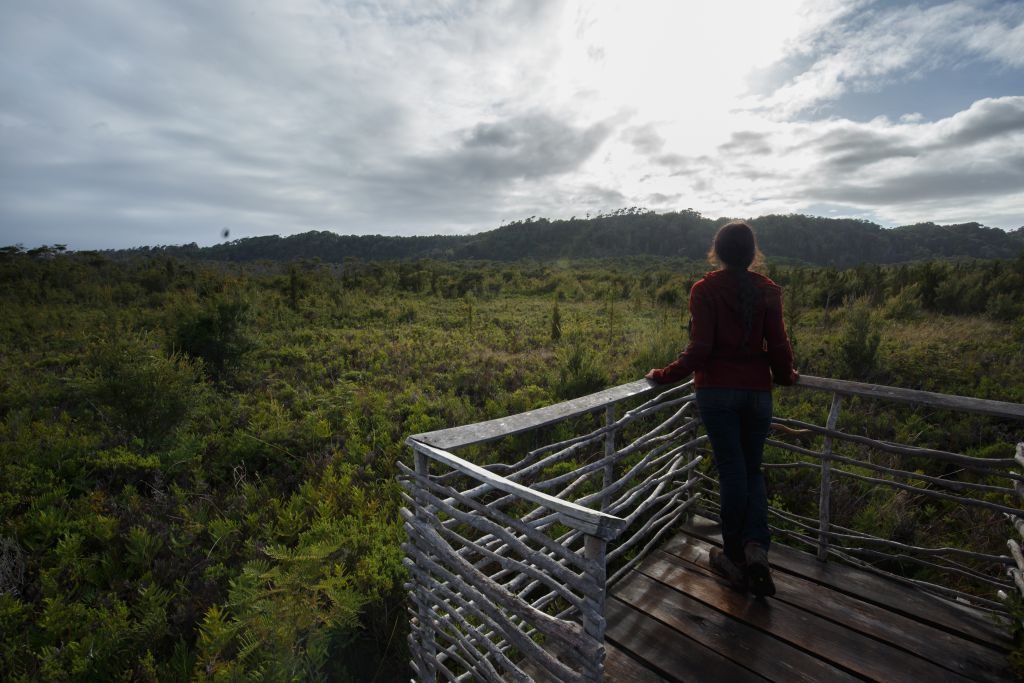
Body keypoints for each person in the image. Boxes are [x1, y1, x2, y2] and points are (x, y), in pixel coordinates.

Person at [645, 220, 798, 597]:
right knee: (752, 470)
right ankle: (756, 548)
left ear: (717, 251)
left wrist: (664, 374)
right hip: (757, 393)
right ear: (751, 254)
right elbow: (778, 344)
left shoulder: (705, 289)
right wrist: (786, 376)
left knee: (731, 471)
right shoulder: (768, 291)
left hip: (716, 392)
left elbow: (700, 350)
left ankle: (733, 553)